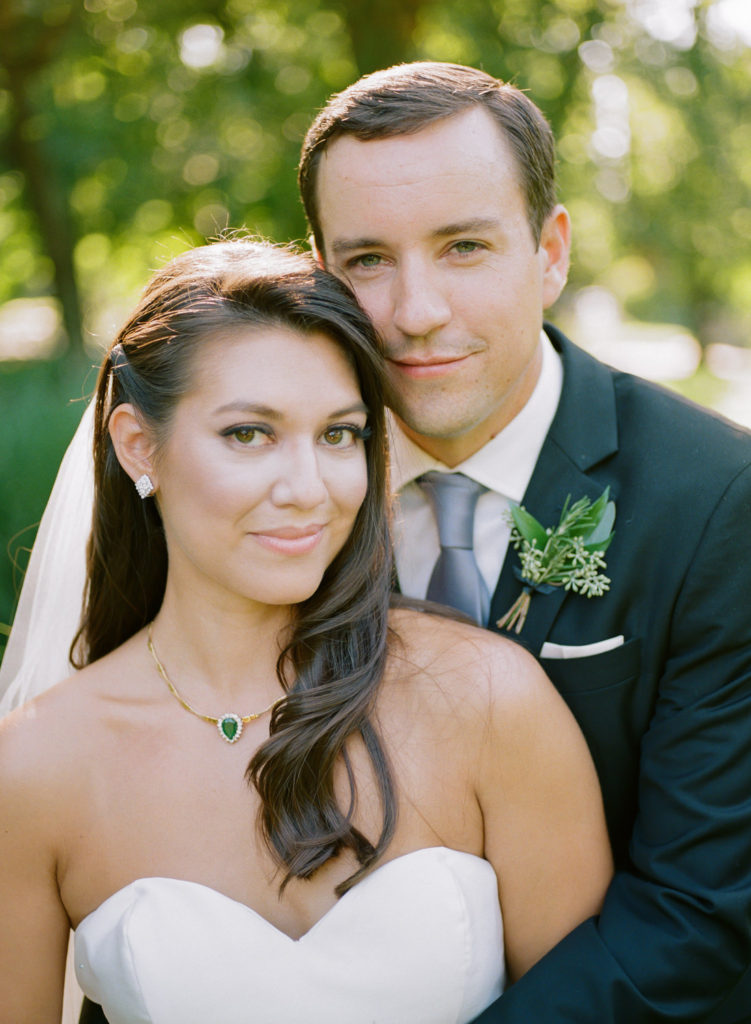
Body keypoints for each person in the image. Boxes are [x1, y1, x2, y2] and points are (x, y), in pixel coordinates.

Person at [0, 238, 612, 1023]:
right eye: (248, 434)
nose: (308, 489)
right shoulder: (36, 768)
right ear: (137, 444)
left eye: (338, 435)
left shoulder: (486, 699)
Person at [295, 62, 751, 1022]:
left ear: (550, 251)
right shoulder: (272, 492)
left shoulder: (715, 501)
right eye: (366, 259)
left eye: (463, 246)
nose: (415, 311)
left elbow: (697, 910)